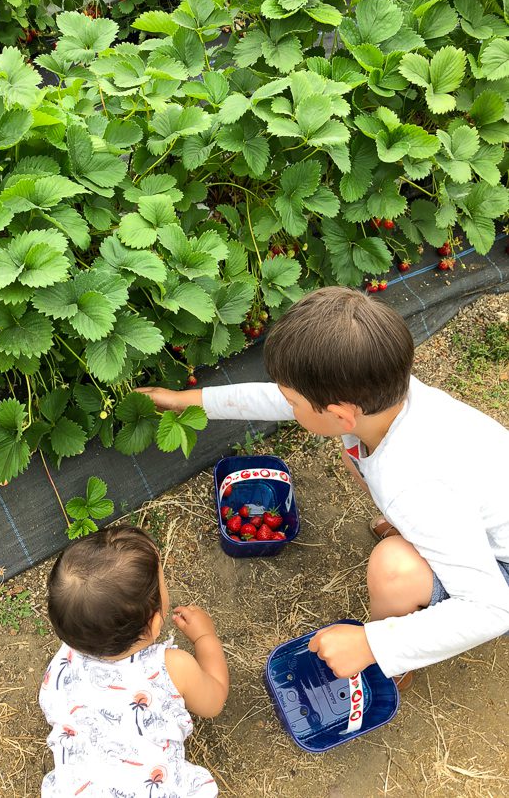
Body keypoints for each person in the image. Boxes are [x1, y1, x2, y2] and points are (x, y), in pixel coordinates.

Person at [137, 287, 509, 687]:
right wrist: (186, 400)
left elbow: (491, 608)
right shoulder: (383, 401)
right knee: (356, 458)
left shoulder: (415, 486)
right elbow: (275, 399)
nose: (288, 407)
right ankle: (418, 543)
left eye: (294, 402)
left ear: (339, 413)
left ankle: (392, 664)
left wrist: (373, 643)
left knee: (393, 568)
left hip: (497, 576)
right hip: (460, 514)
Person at [39, 525, 229, 797]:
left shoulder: (62, 665)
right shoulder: (174, 668)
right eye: (162, 580)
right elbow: (214, 701)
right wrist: (205, 638)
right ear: (153, 624)